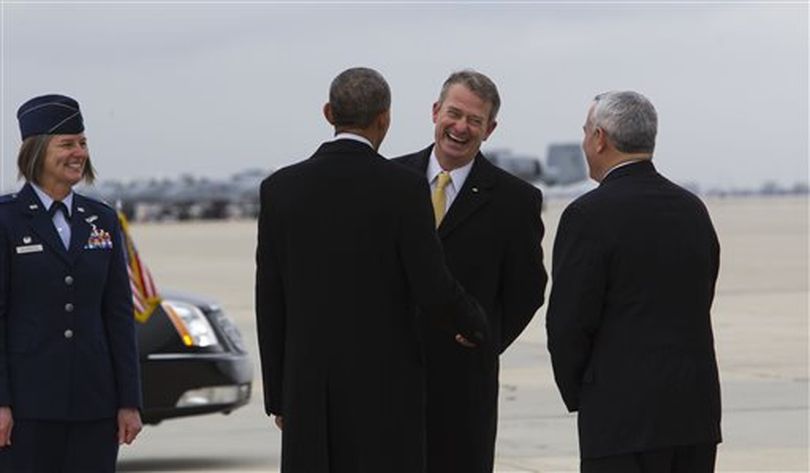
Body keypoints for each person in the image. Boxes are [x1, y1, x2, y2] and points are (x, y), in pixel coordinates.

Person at [255, 67, 489, 473]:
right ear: (385, 119)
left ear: (329, 113)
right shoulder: (403, 188)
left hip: (310, 392)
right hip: (385, 392)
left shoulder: (280, 190)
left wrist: (279, 396)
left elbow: (270, 302)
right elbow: (432, 286)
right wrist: (474, 325)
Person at [546, 91, 722, 473]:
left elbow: (567, 325)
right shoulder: (692, 210)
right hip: (693, 414)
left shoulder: (587, 216)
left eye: (585, 132)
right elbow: (701, 295)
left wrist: (588, 392)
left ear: (600, 138)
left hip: (620, 419)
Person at [393, 69, 547, 473]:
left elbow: (527, 289)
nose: (461, 127)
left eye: (474, 121)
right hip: (388, 375)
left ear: (489, 129)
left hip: (464, 386)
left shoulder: (516, 200)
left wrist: (482, 337)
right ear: (434, 112)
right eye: (454, 113)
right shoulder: (387, 182)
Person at [0, 94, 143, 472]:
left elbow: (118, 315)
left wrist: (129, 401)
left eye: (82, 143)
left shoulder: (101, 220)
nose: (78, 152)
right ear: (35, 151)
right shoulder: (7, 221)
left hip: (94, 406)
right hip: (27, 409)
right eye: (66, 144)